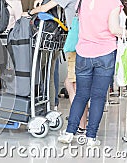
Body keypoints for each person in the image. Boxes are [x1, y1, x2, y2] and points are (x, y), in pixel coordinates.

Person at [58, 0, 127, 146]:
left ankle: (70, 132)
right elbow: (114, 29)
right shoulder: (112, 2)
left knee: (81, 95)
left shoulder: (82, 1)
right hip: (105, 54)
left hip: (83, 53)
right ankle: (91, 137)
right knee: (98, 97)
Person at [29, 0, 89, 135]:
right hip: (85, 41)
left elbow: (45, 8)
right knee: (73, 83)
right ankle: (81, 121)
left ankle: (80, 124)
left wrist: (29, 13)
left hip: (77, 43)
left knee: (74, 85)